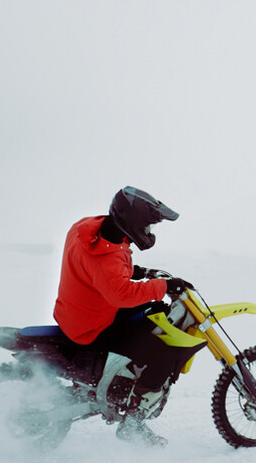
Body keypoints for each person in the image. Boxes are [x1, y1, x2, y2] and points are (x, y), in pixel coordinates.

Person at [53, 186, 194, 445]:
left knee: (153, 314)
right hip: (92, 326)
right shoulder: (106, 258)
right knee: (164, 351)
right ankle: (132, 421)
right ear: (133, 223)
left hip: (76, 309)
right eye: (149, 226)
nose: (150, 231)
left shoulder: (86, 229)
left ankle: (125, 379)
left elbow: (104, 272)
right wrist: (164, 287)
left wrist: (135, 270)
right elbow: (120, 293)